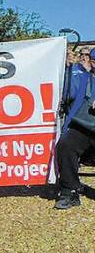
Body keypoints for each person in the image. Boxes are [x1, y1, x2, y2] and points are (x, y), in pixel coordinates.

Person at [54, 50, 95, 210]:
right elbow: (64, 93)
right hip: (82, 128)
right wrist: (66, 70)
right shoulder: (80, 77)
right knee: (66, 145)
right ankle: (69, 191)